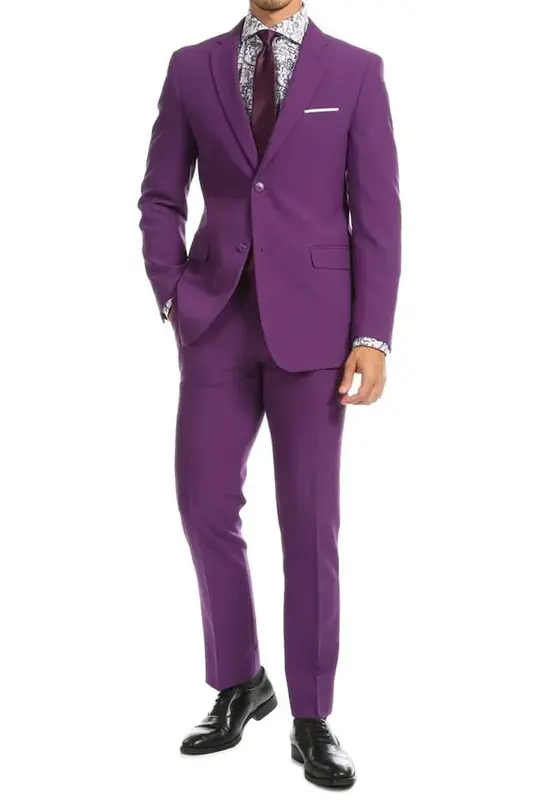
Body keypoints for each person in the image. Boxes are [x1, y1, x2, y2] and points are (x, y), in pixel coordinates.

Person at [138, 0, 400, 789]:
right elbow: (160, 195)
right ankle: (239, 681)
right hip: (215, 319)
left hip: (317, 330)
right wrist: (171, 290)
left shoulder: (354, 71)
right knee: (203, 502)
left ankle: (311, 715)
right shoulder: (191, 66)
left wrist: (372, 335)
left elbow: (376, 211)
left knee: (309, 522)